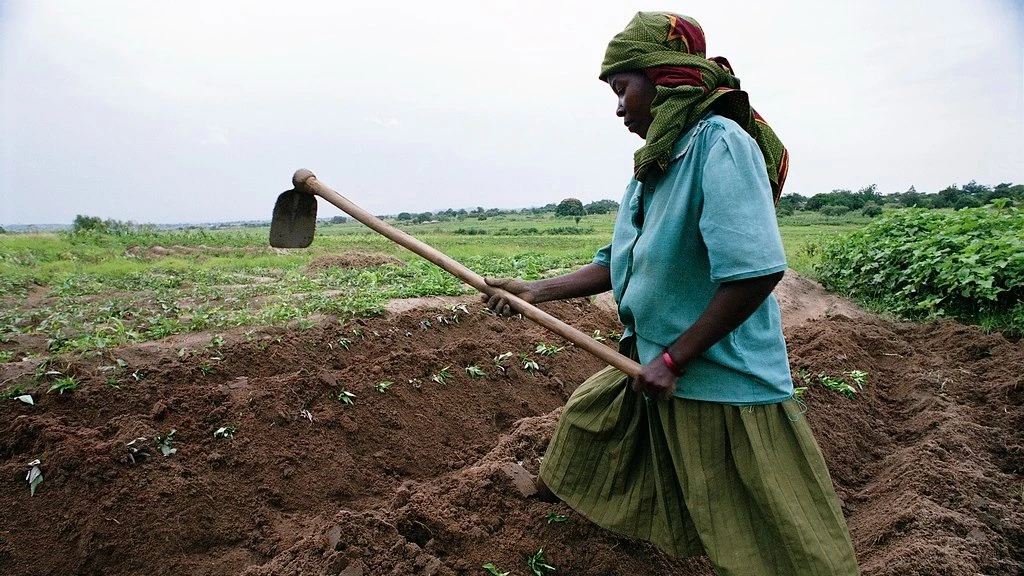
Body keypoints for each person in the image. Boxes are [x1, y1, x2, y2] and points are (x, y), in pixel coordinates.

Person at [483, 11, 860, 576]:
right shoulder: (653, 166)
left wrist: (673, 358)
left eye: (621, 89)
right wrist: (536, 290)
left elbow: (756, 272)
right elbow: (619, 264)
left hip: (719, 375)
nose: (617, 108)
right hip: (648, 353)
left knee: (772, 532)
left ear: (664, 79)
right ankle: (564, 522)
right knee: (590, 422)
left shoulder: (721, 144)